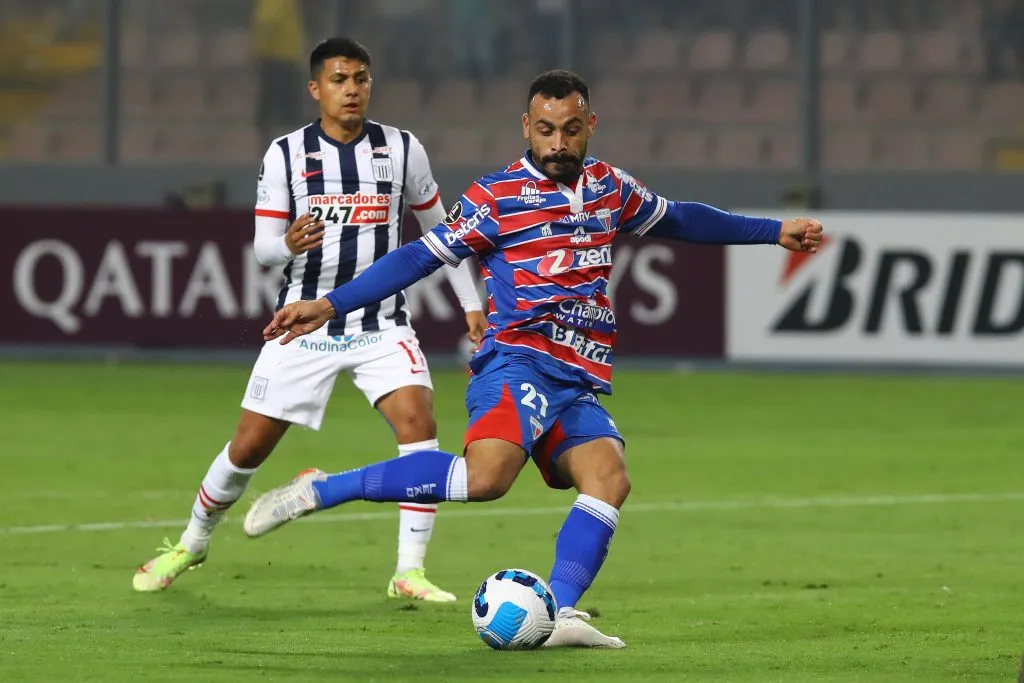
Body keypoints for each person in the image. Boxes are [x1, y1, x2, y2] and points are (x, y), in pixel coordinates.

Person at [242, 70, 823, 647]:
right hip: (517, 361)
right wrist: (330, 303)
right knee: (487, 478)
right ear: (526, 126)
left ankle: (560, 614)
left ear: (590, 125)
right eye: (545, 130)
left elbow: (682, 218)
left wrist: (773, 232)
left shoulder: (609, 188)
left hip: (577, 374)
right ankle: (322, 489)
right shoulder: (496, 197)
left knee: (608, 479)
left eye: (571, 129)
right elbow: (419, 257)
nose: (558, 143)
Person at [132, 37, 486, 602]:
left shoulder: (401, 148)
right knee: (247, 448)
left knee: (418, 428)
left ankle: (408, 571)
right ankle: (192, 543)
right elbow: (263, 250)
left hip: (382, 323)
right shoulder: (287, 153)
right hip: (305, 323)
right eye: (340, 79)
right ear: (316, 88)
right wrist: (288, 244)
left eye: (361, 79)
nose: (352, 89)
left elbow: (443, 231)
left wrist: (471, 301)